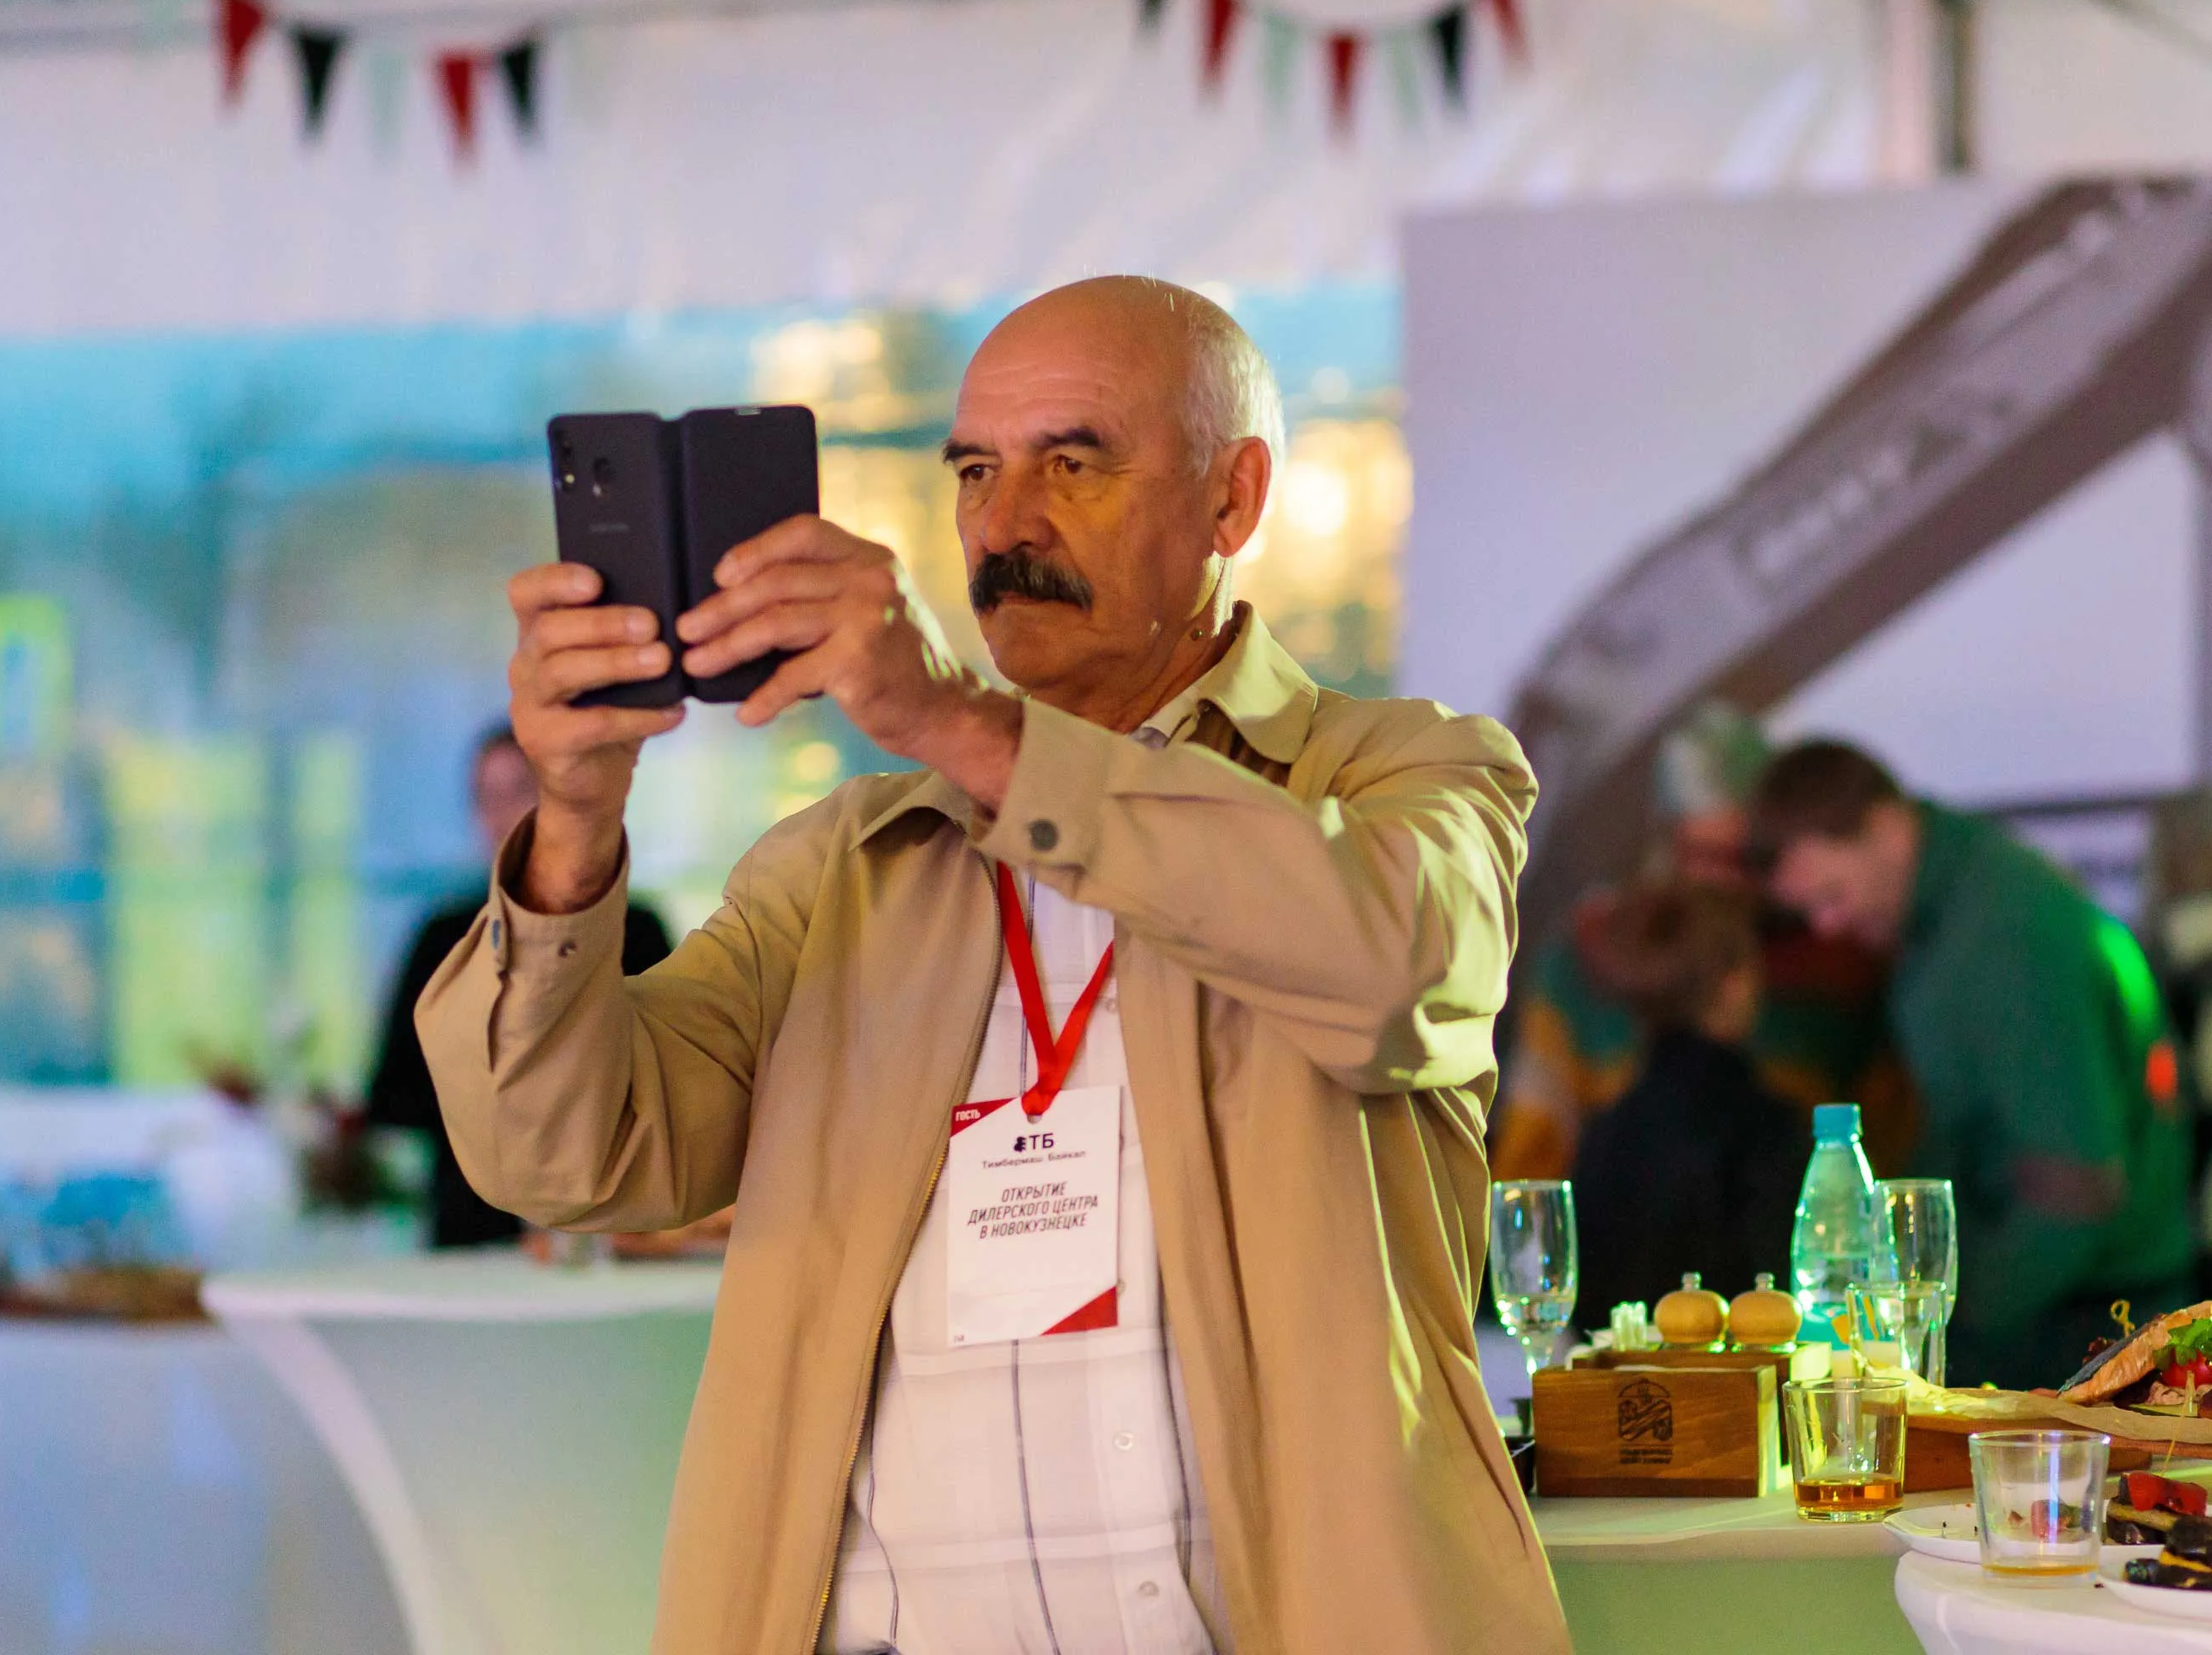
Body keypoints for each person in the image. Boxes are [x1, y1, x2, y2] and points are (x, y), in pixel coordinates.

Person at [416, 276, 1567, 1653]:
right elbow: (563, 1157)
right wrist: (573, 817)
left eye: (1072, 464)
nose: (1006, 524)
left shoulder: (1404, 775)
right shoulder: (844, 868)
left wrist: (959, 724)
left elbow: (1391, 969)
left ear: (1233, 498)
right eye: (975, 471)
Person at [1752, 740, 2195, 1389]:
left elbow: (2075, 1186)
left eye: (1833, 895)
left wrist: (1951, 1323)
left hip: (2082, 1330)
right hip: (2056, 1307)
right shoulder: (1956, 908)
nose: (1827, 927)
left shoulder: (2003, 935)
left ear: (1882, 827)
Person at [1491, 702, 1911, 1184]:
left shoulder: (1838, 960)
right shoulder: (1582, 966)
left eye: (1744, 859)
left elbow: (1889, 1143)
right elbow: (1532, 1154)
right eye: (1702, 855)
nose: (1723, 882)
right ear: (1668, 846)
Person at [367, 725, 671, 1247]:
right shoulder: (444, 937)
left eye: (521, 792)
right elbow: (394, 1092)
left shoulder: (633, 928)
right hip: (473, 1223)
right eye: (489, 797)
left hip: (609, 1219)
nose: (504, 815)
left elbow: (669, 1077)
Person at [1568, 881, 1808, 1332]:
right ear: (1734, 984)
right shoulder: (1768, 1130)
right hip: (1736, 1375)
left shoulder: (1606, 1131)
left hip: (1614, 1374)